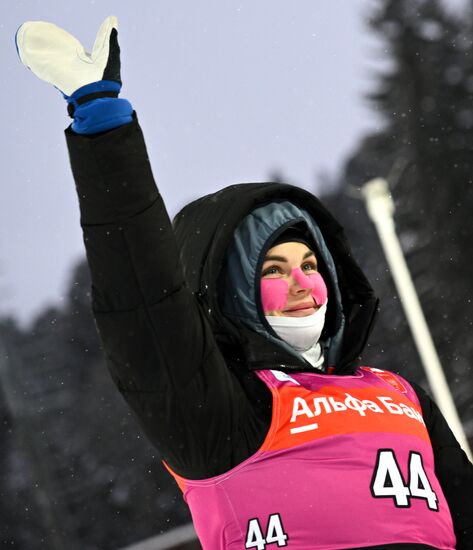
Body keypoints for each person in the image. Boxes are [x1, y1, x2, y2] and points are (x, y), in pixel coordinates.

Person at [16, 16, 473, 550]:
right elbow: (144, 301)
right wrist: (105, 130)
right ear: (231, 294)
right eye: (273, 270)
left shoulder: (401, 395)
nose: (302, 283)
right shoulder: (221, 411)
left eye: (310, 264)